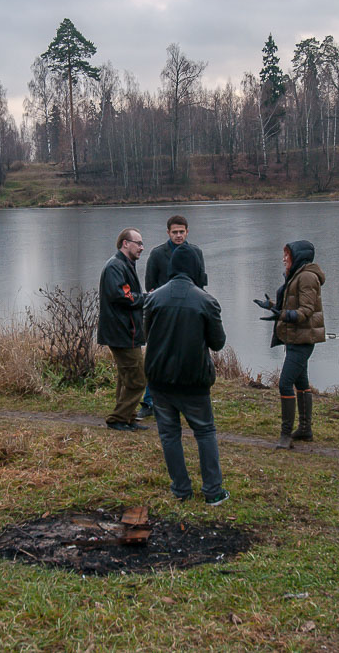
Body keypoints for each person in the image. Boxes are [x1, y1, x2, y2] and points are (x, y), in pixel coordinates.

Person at [144, 243, 229, 505]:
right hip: (194, 380)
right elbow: (218, 343)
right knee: (204, 432)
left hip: (159, 379)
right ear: (196, 269)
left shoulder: (153, 298)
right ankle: (213, 491)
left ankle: (181, 490)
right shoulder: (206, 301)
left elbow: (149, 336)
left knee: (169, 435)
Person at [254, 240, 325, 449]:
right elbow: (292, 305)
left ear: (298, 257)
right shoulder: (297, 275)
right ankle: (305, 429)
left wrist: (282, 315)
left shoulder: (307, 277)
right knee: (301, 383)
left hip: (303, 339)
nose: (284, 258)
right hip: (295, 338)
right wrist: (272, 306)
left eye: (287, 255)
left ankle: (286, 435)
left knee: (285, 383)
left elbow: (306, 311)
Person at [138, 215, 208, 420]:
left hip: (189, 314)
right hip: (164, 315)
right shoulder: (158, 254)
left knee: (191, 355)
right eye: (174, 232)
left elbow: (201, 283)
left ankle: (189, 401)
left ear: (187, 232)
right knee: (158, 356)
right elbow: (150, 285)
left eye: (182, 231)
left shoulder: (196, 253)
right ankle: (150, 402)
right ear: (168, 232)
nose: (178, 235)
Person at [97, 228, 150, 431]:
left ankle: (126, 417)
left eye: (142, 243)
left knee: (126, 377)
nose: (142, 247)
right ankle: (118, 419)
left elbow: (128, 294)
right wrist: (145, 298)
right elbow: (122, 296)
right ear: (125, 243)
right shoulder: (115, 267)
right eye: (138, 243)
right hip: (121, 332)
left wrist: (141, 296)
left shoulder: (125, 265)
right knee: (138, 378)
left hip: (127, 331)